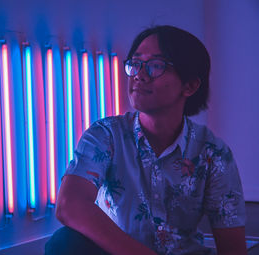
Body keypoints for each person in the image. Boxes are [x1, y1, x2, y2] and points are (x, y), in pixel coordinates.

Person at [45, 25, 247, 255]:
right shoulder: (106, 134)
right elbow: (69, 205)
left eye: (156, 65)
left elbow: (233, 248)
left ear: (189, 85)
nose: (139, 75)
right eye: (136, 63)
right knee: (64, 242)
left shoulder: (212, 153)